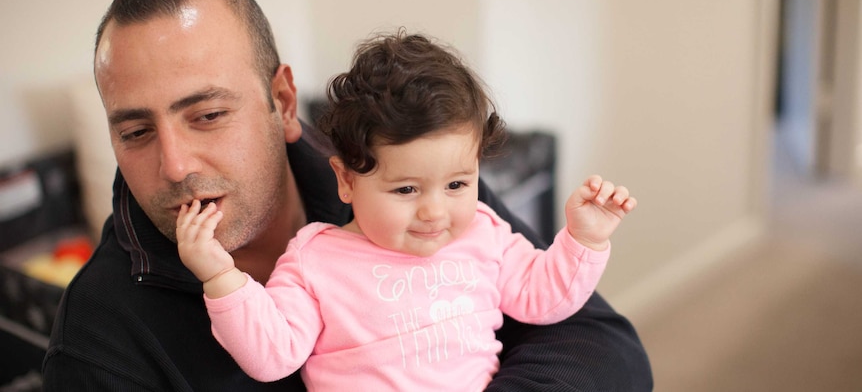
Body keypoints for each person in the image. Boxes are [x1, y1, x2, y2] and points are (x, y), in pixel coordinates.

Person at [42, 0, 653, 391]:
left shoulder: (405, 177)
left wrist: (583, 238)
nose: (176, 166)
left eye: (207, 115)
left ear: (282, 101)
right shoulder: (99, 339)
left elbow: (606, 351)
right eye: (136, 132)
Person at [175, 32, 637, 390]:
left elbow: (544, 299)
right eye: (406, 189)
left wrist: (585, 239)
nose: (434, 211)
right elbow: (272, 355)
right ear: (347, 180)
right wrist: (221, 277)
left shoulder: (483, 232)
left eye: (458, 184)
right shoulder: (316, 259)